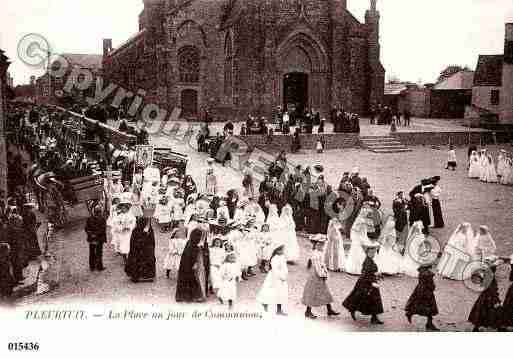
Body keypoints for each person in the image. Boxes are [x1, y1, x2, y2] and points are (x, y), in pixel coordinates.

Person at [342, 241, 384, 325]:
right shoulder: (367, 262)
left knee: (373, 300)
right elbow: (365, 274)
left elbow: (370, 272)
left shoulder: (370, 260)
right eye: (371, 252)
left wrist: (377, 275)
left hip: (370, 282)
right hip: (366, 283)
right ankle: (352, 310)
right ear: (367, 252)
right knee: (360, 298)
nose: (373, 254)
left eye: (374, 252)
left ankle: (374, 317)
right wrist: (372, 282)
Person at [302, 237, 340, 319]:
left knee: (325, 292)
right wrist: (323, 274)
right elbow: (318, 267)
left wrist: (325, 272)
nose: (323, 246)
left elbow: (322, 264)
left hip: (318, 275)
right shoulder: (315, 254)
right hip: (315, 276)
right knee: (313, 293)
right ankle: (308, 311)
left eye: (323, 244)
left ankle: (329, 309)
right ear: (317, 245)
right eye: (321, 244)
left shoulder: (319, 253)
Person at [468, 256, 503, 331]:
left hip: (486, 297)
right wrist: (495, 300)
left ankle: (477, 328)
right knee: (489, 314)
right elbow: (491, 289)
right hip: (489, 298)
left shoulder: (487, 272)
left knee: (481, 314)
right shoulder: (488, 273)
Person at [176, 228, 210, 303]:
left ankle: (201, 295)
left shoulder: (204, 244)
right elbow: (188, 256)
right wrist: (194, 262)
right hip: (191, 265)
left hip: (201, 265)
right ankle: (190, 296)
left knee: (201, 279)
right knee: (191, 279)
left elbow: (206, 254)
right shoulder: (190, 243)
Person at [405, 261, 440, 331]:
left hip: (419, 290)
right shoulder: (428, 274)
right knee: (430, 308)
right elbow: (431, 286)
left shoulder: (421, 272)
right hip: (427, 293)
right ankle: (429, 324)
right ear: (429, 267)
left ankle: (410, 313)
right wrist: (433, 286)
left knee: (419, 305)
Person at [256, 244, 288, 315]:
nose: (283, 251)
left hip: (282, 277)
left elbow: (284, 266)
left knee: (281, 293)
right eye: (281, 250)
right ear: (276, 250)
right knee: (270, 291)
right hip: (275, 277)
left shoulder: (282, 257)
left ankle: (279, 310)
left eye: (283, 249)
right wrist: (281, 276)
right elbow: (275, 270)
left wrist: (285, 274)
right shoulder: (274, 258)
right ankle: (265, 303)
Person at [125, 217, 156, 283]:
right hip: (137, 251)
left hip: (146, 250)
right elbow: (134, 242)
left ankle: (146, 275)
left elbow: (152, 241)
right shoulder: (136, 230)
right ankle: (136, 275)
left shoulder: (149, 230)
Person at [345, 205, 372, 275]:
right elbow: (355, 230)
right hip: (358, 240)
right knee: (358, 253)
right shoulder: (361, 221)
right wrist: (360, 238)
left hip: (360, 239)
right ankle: (357, 269)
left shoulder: (361, 220)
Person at [85, 206, 107, 272]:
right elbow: (103, 230)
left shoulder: (89, 218)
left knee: (92, 252)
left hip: (91, 239)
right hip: (99, 239)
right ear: (100, 212)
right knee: (99, 252)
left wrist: (91, 234)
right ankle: (99, 267)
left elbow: (86, 228)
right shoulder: (102, 219)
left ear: (94, 211)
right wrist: (96, 234)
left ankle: (92, 266)